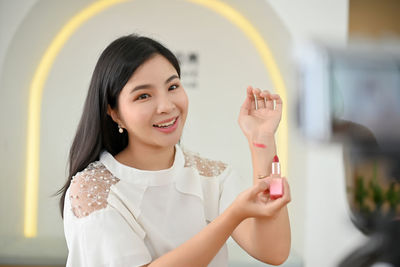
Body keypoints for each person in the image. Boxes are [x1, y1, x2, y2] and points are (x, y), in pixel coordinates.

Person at [57, 34, 291, 267]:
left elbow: (273, 251)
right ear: (114, 112)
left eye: (173, 86)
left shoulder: (212, 177)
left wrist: (262, 141)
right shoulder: (93, 191)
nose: (167, 106)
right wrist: (231, 218)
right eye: (144, 95)